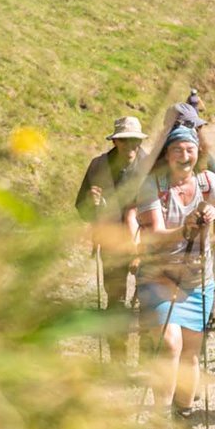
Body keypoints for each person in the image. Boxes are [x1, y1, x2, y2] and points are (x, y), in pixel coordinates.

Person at [137, 125, 215, 429]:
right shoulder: (152, 186)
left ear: (199, 152)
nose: (184, 156)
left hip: (198, 282)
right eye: (177, 150)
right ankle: (161, 425)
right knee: (169, 345)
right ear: (166, 155)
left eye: (190, 149)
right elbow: (156, 235)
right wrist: (185, 229)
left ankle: (182, 419)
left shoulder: (208, 182)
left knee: (190, 356)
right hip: (159, 278)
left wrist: (214, 215)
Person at [75, 116, 147, 326]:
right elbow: (82, 209)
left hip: (144, 238)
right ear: (115, 141)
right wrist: (91, 202)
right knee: (115, 298)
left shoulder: (151, 165)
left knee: (148, 295)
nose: (130, 145)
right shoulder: (98, 166)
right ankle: (117, 339)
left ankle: (147, 341)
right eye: (124, 139)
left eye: (135, 140)